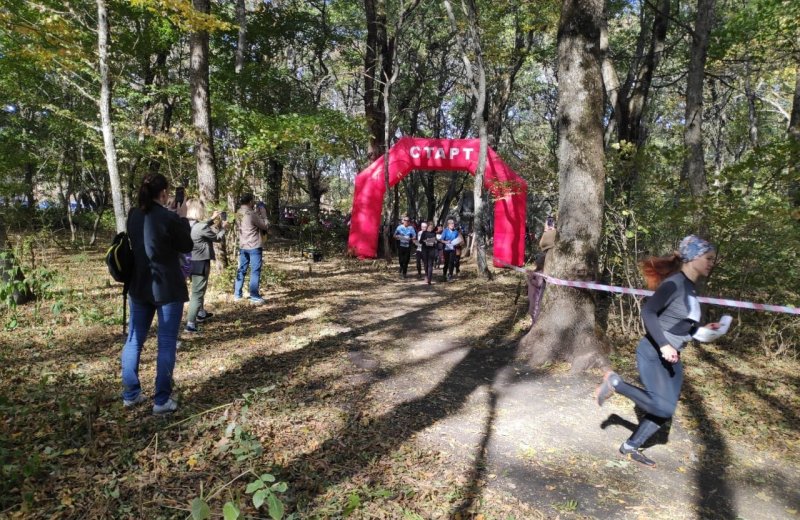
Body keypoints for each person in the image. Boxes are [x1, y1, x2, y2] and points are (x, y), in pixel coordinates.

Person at [595, 235, 721, 467]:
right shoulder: (675, 283)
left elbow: (681, 326)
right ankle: (615, 383)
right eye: (708, 258)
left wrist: (704, 330)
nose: (712, 262)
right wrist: (664, 345)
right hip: (654, 352)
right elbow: (649, 312)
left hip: (672, 356)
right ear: (693, 257)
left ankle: (630, 447)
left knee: (665, 409)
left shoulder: (690, 288)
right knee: (662, 405)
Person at [121, 173, 193, 415]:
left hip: (139, 286)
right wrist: (181, 219)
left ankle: (131, 394)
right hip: (167, 288)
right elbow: (186, 245)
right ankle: (161, 400)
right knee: (166, 343)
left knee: (134, 339)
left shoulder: (133, 215)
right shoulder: (170, 217)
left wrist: (170, 215)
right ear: (163, 193)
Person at [184, 199, 228, 333]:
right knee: (198, 293)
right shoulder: (201, 227)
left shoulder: (186, 225)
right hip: (201, 263)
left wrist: (212, 219)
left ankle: (200, 313)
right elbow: (217, 238)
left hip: (189, 262)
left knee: (198, 289)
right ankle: (190, 323)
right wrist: (224, 228)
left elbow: (200, 225)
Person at [234, 193, 270, 304]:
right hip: (254, 246)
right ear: (250, 202)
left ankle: (237, 294)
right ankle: (254, 295)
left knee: (242, 269)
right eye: (253, 201)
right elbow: (265, 226)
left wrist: (257, 215)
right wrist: (264, 215)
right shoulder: (251, 214)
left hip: (243, 246)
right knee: (255, 271)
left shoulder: (238, 213)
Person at [440, 218, 462, 282]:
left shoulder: (455, 231)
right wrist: (446, 242)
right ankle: (444, 274)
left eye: (453, 224)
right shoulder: (445, 231)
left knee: (451, 262)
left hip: (453, 249)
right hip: (446, 249)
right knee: (446, 262)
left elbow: (459, 239)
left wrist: (458, 242)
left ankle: (450, 275)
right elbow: (441, 240)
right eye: (451, 224)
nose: (453, 225)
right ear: (448, 224)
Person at [419, 220, 438, 285]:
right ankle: (426, 275)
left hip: (431, 250)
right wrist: (425, 241)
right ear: (427, 227)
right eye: (429, 227)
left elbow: (436, 242)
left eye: (432, 228)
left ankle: (429, 279)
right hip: (425, 250)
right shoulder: (424, 233)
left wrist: (435, 242)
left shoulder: (434, 233)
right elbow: (420, 241)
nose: (430, 229)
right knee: (426, 264)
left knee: (430, 265)